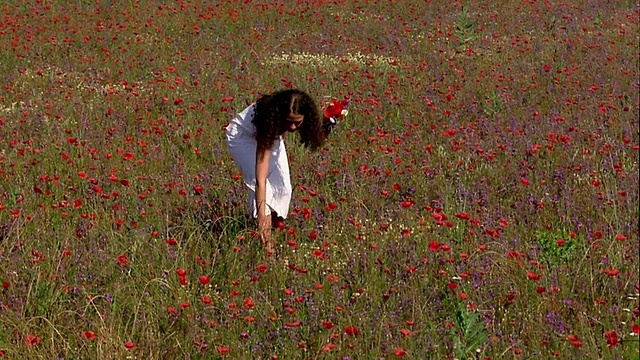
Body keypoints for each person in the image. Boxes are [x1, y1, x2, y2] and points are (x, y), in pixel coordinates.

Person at [226, 89, 326, 255]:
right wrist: (261, 214)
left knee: (284, 187)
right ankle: (266, 243)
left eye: (297, 122)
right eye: (289, 122)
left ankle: (273, 230)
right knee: (264, 187)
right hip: (242, 136)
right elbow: (260, 179)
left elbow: (316, 137)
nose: (292, 127)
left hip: (270, 134)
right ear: (281, 115)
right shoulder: (269, 119)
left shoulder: (288, 121)